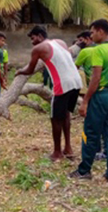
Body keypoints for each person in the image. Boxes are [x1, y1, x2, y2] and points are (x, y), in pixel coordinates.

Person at [68, 19, 108, 184]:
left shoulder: (98, 51)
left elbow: (96, 77)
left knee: (91, 133)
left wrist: (85, 100)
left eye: (92, 32)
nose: (91, 36)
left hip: (100, 96)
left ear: (101, 31)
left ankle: (84, 169)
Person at [16, 25, 82, 161]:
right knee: (66, 114)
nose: (32, 42)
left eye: (33, 38)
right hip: (76, 81)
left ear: (40, 36)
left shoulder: (38, 49)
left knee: (55, 118)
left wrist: (20, 71)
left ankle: (57, 152)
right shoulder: (60, 42)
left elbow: (29, 69)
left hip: (62, 84)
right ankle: (68, 148)